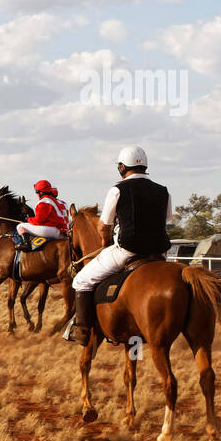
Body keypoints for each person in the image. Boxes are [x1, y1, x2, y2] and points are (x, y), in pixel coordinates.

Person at [63, 146, 173, 345]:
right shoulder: (163, 191)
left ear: (122, 168)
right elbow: (167, 220)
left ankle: (83, 330)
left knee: (81, 280)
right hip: (159, 254)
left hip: (127, 250)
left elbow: (104, 226)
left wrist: (105, 242)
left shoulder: (117, 189)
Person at [13, 179, 69, 249]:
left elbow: (38, 221)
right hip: (63, 232)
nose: (36, 194)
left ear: (41, 192)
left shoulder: (43, 202)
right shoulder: (57, 202)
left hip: (52, 230)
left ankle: (26, 244)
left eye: (36, 192)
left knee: (20, 226)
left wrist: (29, 219)